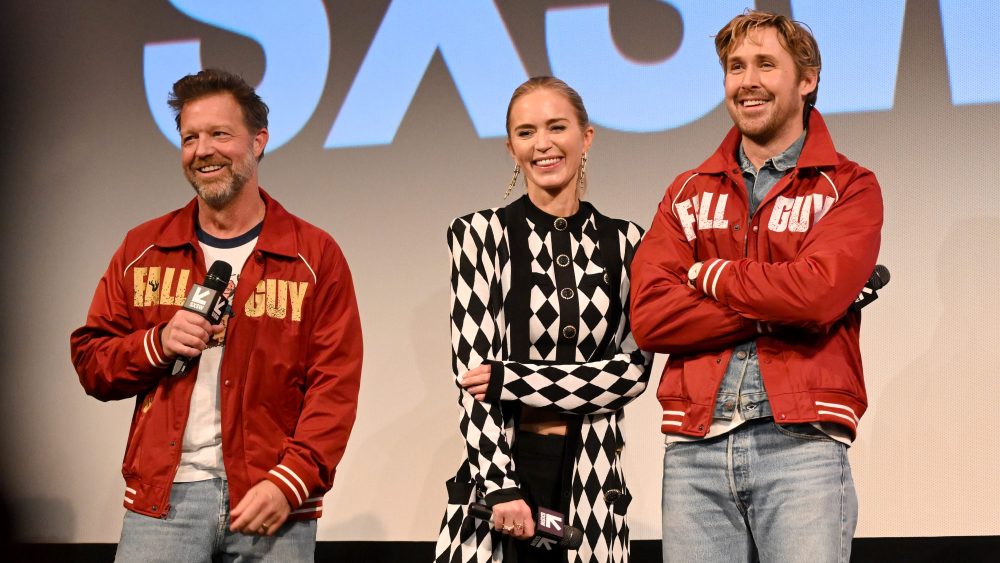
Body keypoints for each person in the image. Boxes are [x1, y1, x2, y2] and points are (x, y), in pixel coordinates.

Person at [70, 69, 363, 562]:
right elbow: (91, 361)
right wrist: (157, 342)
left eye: (219, 134)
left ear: (259, 141)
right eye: (190, 137)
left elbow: (334, 388)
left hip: (272, 501)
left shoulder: (314, 254)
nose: (202, 149)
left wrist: (290, 482)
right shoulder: (143, 248)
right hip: (163, 503)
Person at [630, 10, 883, 563]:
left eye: (766, 64)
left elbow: (818, 294)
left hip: (803, 446)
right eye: (735, 67)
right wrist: (780, 304)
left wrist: (711, 275)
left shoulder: (849, 186)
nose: (747, 81)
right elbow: (650, 318)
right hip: (694, 448)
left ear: (807, 79)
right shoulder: (687, 191)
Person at [434, 76, 653, 563]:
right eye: (526, 132)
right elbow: (472, 379)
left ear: (586, 137)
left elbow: (632, 374)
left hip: (592, 483)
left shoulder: (629, 243)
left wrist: (509, 378)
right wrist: (501, 486)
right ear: (511, 147)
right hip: (499, 480)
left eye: (557, 127)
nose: (543, 144)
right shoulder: (478, 235)